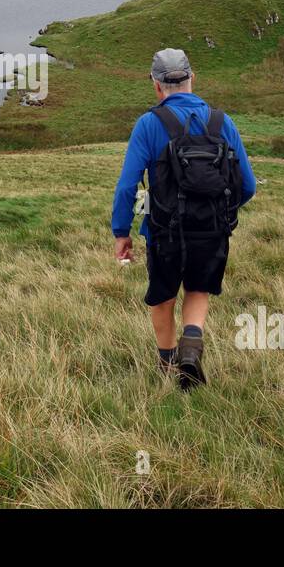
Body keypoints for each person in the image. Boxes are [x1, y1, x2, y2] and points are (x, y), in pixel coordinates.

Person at [111, 48, 256, 388]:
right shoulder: (222, 122)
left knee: (162, 296)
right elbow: (246, 185)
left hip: (165, 232)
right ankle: (192, 343)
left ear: (156, 85)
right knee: (198, 287)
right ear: (193, 78)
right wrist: (218, 213)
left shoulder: (149, 124)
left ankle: (168, 366)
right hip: (211, 230)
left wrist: (122, 231)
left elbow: (127, 186)